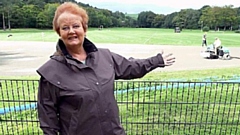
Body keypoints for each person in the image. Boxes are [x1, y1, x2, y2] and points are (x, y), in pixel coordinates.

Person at [36, 2, 175, 135]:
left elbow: (131, 67)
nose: (71, 31)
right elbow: (48, 120)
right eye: (65, 28)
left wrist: (156, 61)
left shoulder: (104, 57)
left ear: (84, 29)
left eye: (76, 26)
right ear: (59, 32)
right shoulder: (51, 73)